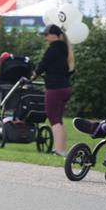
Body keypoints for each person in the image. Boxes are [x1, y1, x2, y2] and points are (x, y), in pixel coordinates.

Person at [32, 24, 74, 156]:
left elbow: (42, 65)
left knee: (54, 120)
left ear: (55, 36)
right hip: (65, 88)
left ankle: (59, 150)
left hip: (55, 89)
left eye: (46, 35)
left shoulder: (53, 49)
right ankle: (63, 149)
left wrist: (33, 76)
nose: (45, 38)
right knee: (59, 120)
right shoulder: (65, 49)